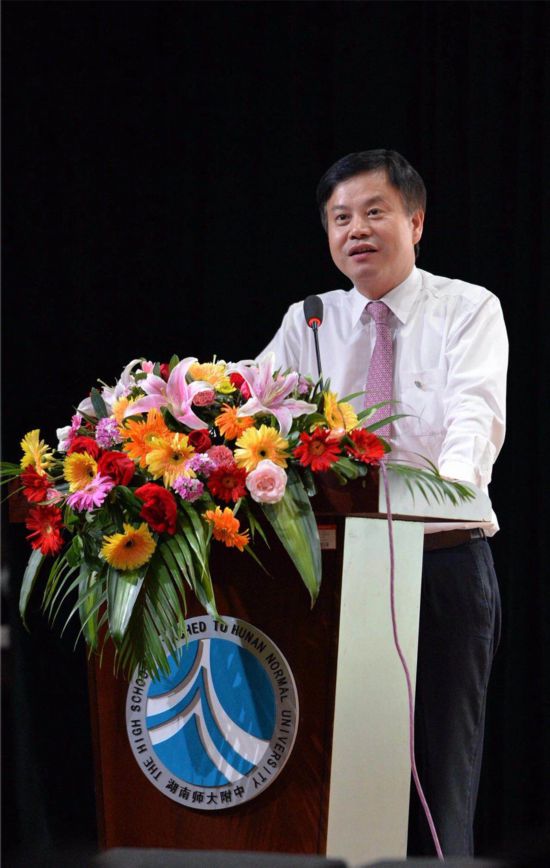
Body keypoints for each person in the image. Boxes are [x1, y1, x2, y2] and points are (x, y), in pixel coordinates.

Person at [260, 149, 507, 858]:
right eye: (341, 218)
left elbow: (474, 416)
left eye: (374, 212)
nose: (356, 230)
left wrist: (443, 494)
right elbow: (256, 410)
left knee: (439, 782)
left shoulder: (467, 308)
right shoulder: (309, 320)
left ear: (416, 222)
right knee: (338, 776)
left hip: (441, 562)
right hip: (341, 572)